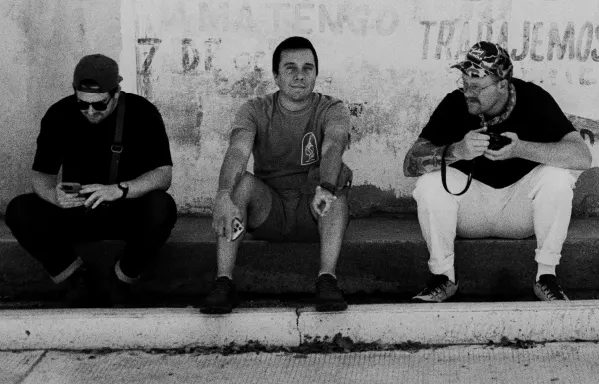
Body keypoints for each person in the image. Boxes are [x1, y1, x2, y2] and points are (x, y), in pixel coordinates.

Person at [404, 41, 592, 303]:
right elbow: (410, 163)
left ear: (502, 85)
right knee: (429, 182)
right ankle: (442, 277)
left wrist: (521, 149)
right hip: (469, 212)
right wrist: (457, 150)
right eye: (465, 83)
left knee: (558, 177)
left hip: (521, 212)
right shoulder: (454, 103)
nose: (468, 92)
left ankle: (546, 276)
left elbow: (582, 157)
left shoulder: (533, 98)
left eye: (477, 87)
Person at [4, 54, 177, 306]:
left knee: (162, 207)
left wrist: (119, 190)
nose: (90, 112)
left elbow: (163, 174)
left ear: (116, 94)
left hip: (124, 208)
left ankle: (121, 279)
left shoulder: (142, 112)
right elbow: (41, 174)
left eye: (99, 105)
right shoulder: (59, 114)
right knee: (19, 210)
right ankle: (75, 279)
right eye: (83, 104)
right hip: (77, 210)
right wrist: (54, 196)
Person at [201, 36, 352, 314]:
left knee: (337, 181)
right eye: (290, 68)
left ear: (316, 74)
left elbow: (334, 145)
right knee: (240, 185)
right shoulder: (255, 109)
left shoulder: (332, 108)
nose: (299, 76)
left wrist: (326, 187)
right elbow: (238, 151)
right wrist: (223, 195)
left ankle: (327, 280)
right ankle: (223, 281)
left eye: (307, 68)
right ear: (276, 76)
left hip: (314, 207)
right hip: (268, 210)